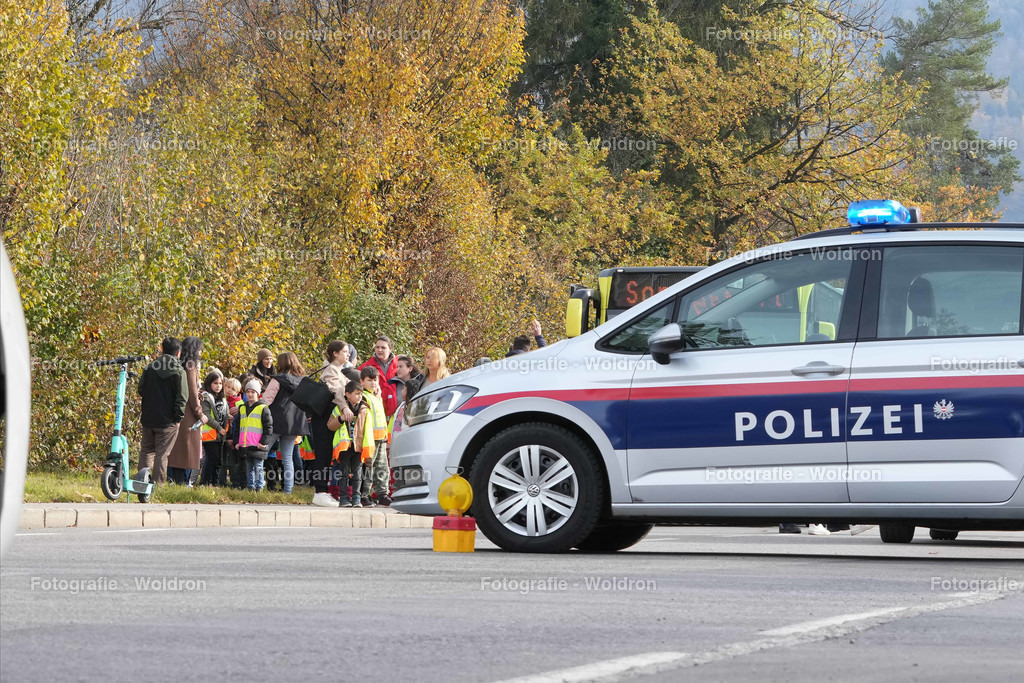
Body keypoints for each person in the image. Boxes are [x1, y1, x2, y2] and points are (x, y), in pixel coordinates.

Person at [308, 340, 354, 506]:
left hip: (329, 417)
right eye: (345, 351)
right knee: (323, 453)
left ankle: (323, 491)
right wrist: (344, 409)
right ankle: (319, 492)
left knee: (327, 454)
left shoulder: (339, 371)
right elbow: (336, 392)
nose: (348, 354)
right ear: (335, 353)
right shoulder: (331, 371)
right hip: (323, 417)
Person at [137, 337, 188, 485]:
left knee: (146, 450)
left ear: (162, 350)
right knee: (162, 454)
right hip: (168, 420)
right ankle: (158, 484)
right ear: (178, 353)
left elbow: (141, 389)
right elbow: (182, 398)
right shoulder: (179, 372)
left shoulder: (149, 367)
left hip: (148, 417)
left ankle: (142, 483)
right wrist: (178, 418)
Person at [261, 352, 310, 495]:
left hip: (275, 421)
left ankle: (256, 486)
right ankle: (288, 490)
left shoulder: (278, 380)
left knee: (262, 451)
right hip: (294, 422)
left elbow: (267, 400)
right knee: (288, 457)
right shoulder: (303, 382)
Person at [328, 380, 373, 507]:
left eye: (361, 393)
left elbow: (368, 429)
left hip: (358, 446)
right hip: (344, 447)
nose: (360, 396)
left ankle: (356, 498)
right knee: (344, 474)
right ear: (347, 394)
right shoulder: (339, 409)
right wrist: (340, 419)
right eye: (357, 393)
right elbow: (330, 425)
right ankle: (344, 498)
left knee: (358, 474)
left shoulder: (364, 409)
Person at [167, 336, 205, 485]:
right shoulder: (191, 365)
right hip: (188, 412)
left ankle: (175, 479)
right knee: (187, 447)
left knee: (178, 447)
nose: (201, 352)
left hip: (179, 408)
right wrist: (199, 412)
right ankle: (182, 481)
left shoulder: (179, 364)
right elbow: (191, 391)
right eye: (200, 349)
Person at [233, 380, 273, 491]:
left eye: (253, 392)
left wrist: (264, 442)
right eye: (248, 392)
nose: (250, 394)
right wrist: (237, 441)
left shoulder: (263, 408)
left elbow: (268, 427)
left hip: (258, 444)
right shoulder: (242, 408)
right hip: (245, 443)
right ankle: (250, 487)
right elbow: (237, 426)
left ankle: (258, 487)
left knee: (258, 467)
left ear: (258, 394)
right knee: (248, 467)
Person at [359, 366, 391, 506]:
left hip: (381, 438)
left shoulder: (376, 397)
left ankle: (382, 493)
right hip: (370, 439)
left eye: (375, 380)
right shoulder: (364, 397)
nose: (373, 383)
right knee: (369, 468)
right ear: (362, 382)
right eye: (369, 380)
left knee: (382, 467)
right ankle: (364, 494)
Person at [198, 371, 229, 486]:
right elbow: (207, 415)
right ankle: (204, 482)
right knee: (212, 458)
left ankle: (215, 483)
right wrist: (218, 427)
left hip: (220, 435)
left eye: (220, 383)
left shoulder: (222, 398)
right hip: (210, 433)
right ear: (209, 383)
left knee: (218, 460)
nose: (218, 386)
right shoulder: (206, 397)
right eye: (215, 383)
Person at [358, 335, 398, 418]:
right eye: (377, 347)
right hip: (375, 411)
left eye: (383, 348)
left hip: (396, 411)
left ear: (390, 349)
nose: (379, 350)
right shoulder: (365, 367)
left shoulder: (399, 364)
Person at [222, 377, 245, 488]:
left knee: (234, 461)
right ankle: (221, 481)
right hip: (221, 434)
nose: (229, 390)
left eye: (233, 389)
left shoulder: (240, 404)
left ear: (237, 391)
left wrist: (233, 438)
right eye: (228, 387)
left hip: (234, 435)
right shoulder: (221, 400)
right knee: (222, 460)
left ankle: (235, 482)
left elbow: (241, 423)